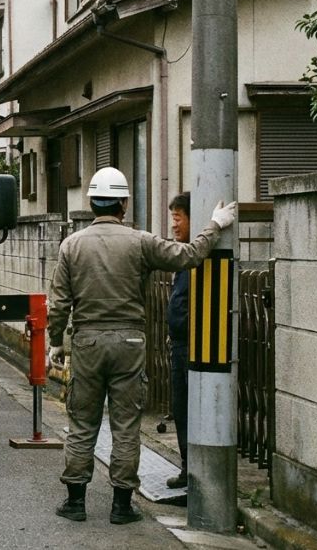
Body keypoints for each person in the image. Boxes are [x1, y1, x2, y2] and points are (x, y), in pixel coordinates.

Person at [47, 168, 236, 525]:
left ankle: (75, 502)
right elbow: (189, 255)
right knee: (126, 425)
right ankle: (121, 506)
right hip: (130, 342)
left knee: (83, 423)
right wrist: (215, 224)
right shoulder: (141, 242)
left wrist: (56, 342)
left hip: (87, 341)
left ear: (92, 203)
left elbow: (58, 303)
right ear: (123, 204)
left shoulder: (72, 245)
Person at [166, 192, 192, 490]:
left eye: (178, 218)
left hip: (190, 346)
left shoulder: (196, 257)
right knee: (181, 409)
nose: (174, 225)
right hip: (179, 343)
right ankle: (187, 469)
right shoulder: (184, 255)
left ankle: (193, 472)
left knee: (188, 409)